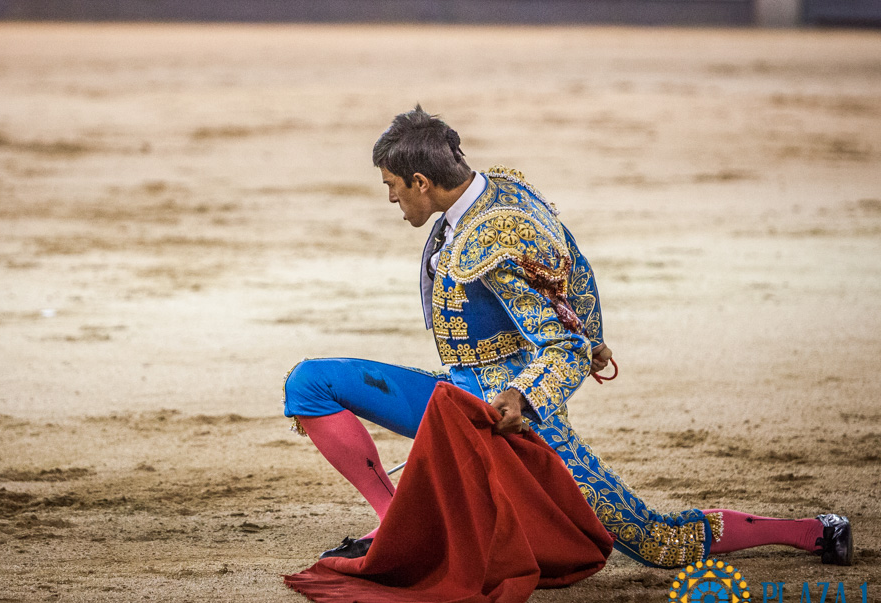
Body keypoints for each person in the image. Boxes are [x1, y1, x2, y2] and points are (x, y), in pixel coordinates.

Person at [283, 106, 853, 568]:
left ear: (422, 182)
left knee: (655, 540)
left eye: (392, 186)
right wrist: (594, 329)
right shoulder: (502, 188)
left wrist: (529, 396)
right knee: (311, 383)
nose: (391, 199)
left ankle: (811, 532)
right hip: (455, 395)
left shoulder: (491, 241)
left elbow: (563, 347)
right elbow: (575, 263)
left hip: (500, 409)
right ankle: (390, 521)